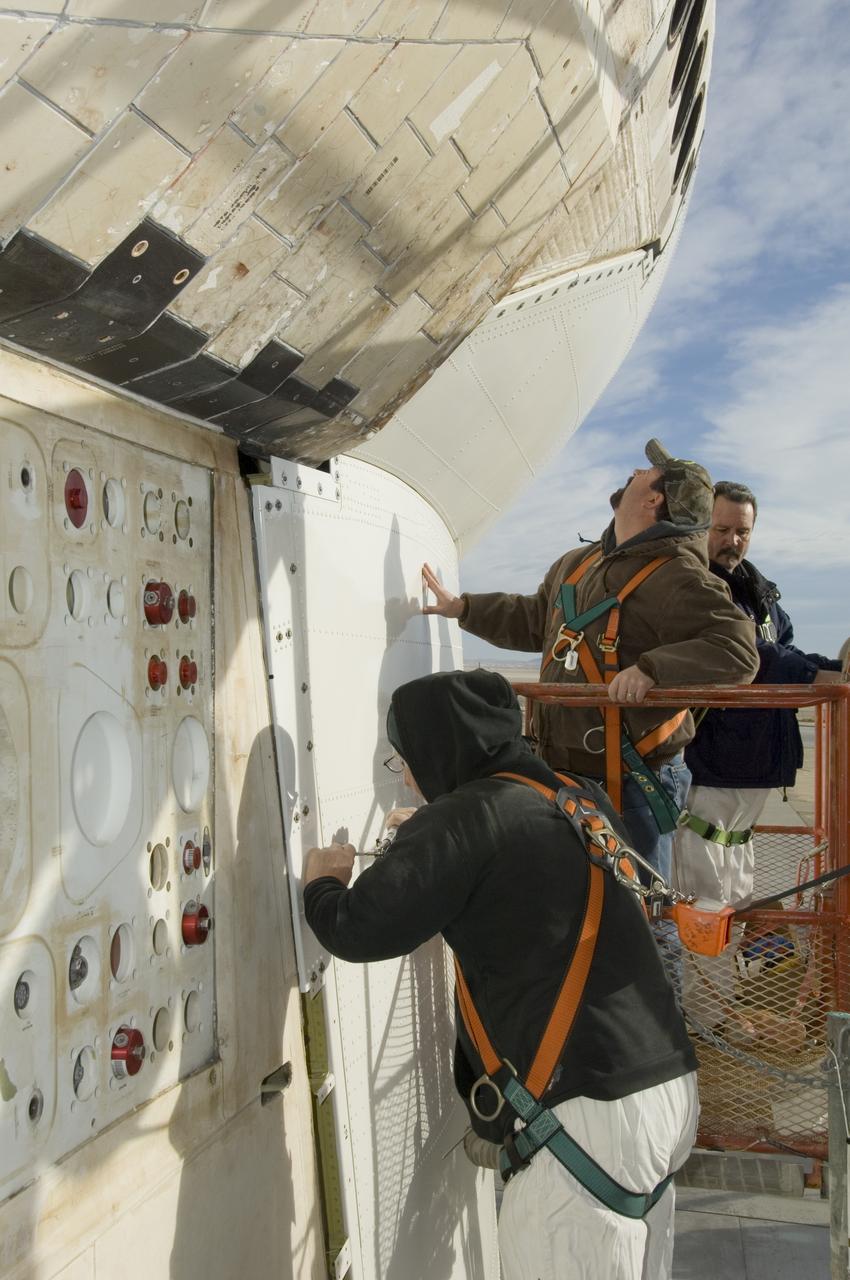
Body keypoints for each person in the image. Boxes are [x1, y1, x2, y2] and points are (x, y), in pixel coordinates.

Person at [303, 669, 699, 1280]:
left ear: (441, 748)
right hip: (662, 1084)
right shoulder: (572, 797)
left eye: (403, 759)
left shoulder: (464, 820)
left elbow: (357, 928)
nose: (406, 775)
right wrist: (433, 840)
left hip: (588, 1112)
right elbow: (519, 868)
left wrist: (322, 882)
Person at [421, 440, 759, 886]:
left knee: (643, 912)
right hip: (562, 770)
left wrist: (651, 669)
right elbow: (536, 620)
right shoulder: (578, 564)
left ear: (654, 498)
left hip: (634, 780)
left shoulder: (677, 576)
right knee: (576, 901)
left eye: (646, 472)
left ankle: (661, 959)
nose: (636, 472)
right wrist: (464, 607)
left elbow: (738, 649)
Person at [673, 481, 844, 1024]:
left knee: (736, 886)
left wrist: (833, 669)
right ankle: (708, 1022)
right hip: (710, 762)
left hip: (753, 768)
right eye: (721, 529)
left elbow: (784, 644)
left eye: (741, 531)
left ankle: (721, 1010)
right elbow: (756, 656)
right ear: (703, 530)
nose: (731, 541)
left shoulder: (759, 591)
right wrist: (822, 675)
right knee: (705, 895)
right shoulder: (695, 589)